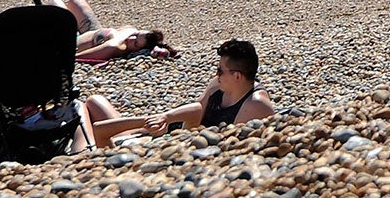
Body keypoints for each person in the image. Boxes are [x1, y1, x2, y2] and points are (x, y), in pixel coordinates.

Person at [85, 40, 273, 142]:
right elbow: (198, 109)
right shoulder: (218, 84)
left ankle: (83, 147)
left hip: (177, 141)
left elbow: (228, 143)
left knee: (102, 130)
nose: (216, 74)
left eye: (219, 70)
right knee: (94, 102)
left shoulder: (255, 105)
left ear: (237, 76)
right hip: (175, 129)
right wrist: (166, 118)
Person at [53, 0, 179, 63]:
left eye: (135, 43)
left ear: (138, 49)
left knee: (55, 2)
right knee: (76, 0)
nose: (131, 39)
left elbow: (76, 57)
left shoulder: (114, 47)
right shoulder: (130, 31)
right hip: (92, 31)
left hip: (68, 41)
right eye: (136, 34)